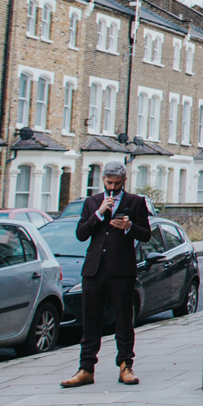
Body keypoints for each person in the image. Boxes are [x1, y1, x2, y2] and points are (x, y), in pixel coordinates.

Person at [61, 161, 152, 388]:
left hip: (121, 269)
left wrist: (129, 226)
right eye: (109, 183)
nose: (113, 188)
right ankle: (86, 369)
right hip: (94, 269)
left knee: (123, 319)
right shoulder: (91, 202)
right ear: (103, 180)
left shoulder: (136, 202)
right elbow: (81, 234)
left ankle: (125, 366)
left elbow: (146, 235)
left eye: (117, 184)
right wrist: (99, 213)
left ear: (124, 181)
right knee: (91, 320)